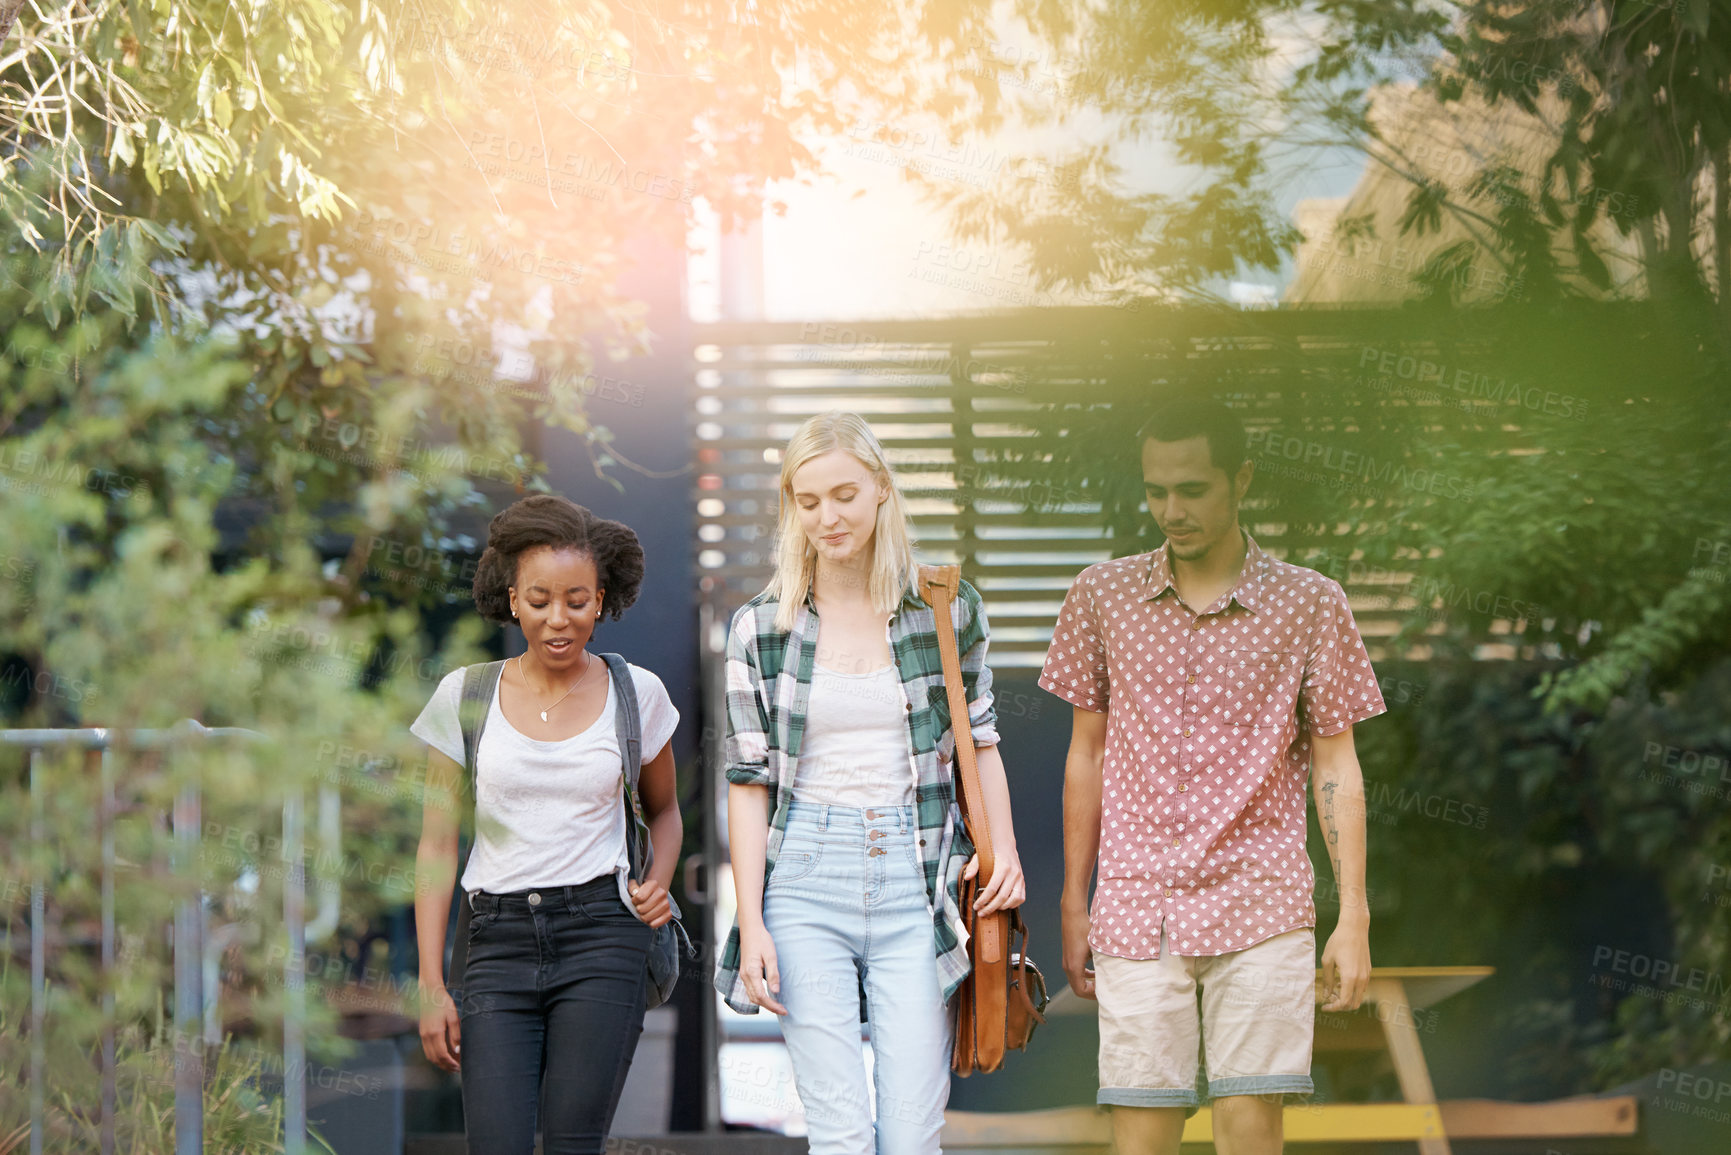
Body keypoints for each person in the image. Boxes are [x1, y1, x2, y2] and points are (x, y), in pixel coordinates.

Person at [1039, 397, 1386, 1155]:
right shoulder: (1100, 596)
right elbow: (1085, 754)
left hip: (1261, 902)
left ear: (1242, 479)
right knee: (1140, 1135)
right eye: (1155, 489)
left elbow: (1336, 760)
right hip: (1135, 905)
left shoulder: (1309, 602)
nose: (1171, 509)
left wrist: (1352, 913)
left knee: (1251, 1133)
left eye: (1192, 489)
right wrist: (1073, 898)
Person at [715, 410, 1026, 1154]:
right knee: (840, 1133)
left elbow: (979, 739)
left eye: (844, 494)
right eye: (808, 499)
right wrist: (752, 918)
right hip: (806, 877)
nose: (828, 516)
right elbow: (747, 780)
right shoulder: (760, 626)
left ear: (881, 489)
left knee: (914, 1132)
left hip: (915, 875)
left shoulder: (945, 607)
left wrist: (1004, 849)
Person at [410, 494, 683, 1155]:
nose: (558, 619)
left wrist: (659, 880)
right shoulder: (463, 694)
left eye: (577, 600)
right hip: (493, 943)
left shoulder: (634, 693)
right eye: (539, 600)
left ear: (601, 599)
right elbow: (436, 845)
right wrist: (428, 983)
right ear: (512, 599)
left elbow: (666, 810)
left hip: (601, 935)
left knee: (571, 1143)